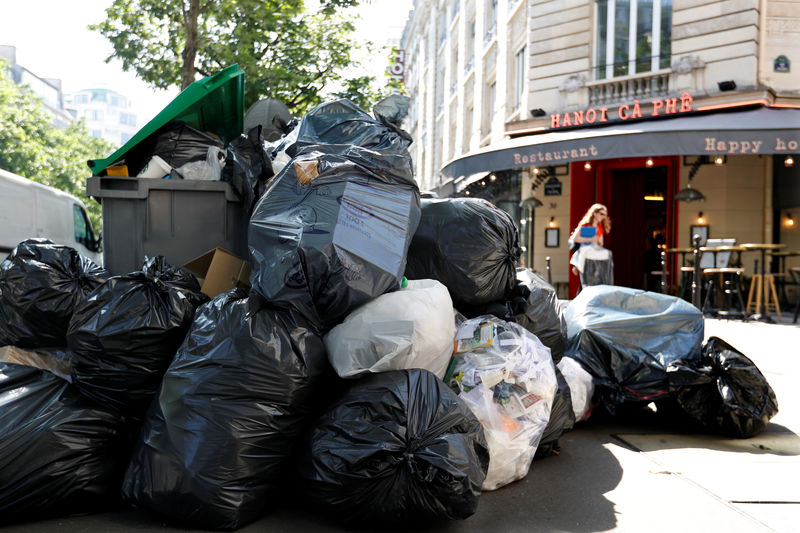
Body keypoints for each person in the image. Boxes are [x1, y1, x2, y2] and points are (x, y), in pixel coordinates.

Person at [570, 204, 613, 286]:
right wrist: (590, 239)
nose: (603, 216)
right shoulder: (585, 224)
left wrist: (597, 240)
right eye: (601, 214)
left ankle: (606, 280)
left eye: (604, 215)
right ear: (594, 213)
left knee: (608, 254)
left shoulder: (599, 227)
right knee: (585, 250)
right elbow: (575, 238)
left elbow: (601, 242)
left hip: (594, 248)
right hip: (584, 247)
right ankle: (578, 267)